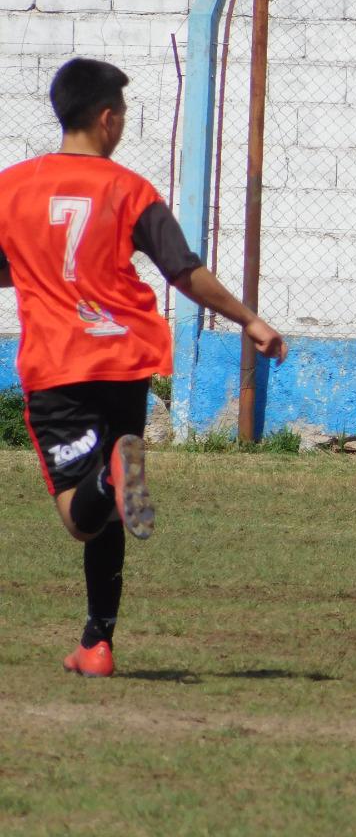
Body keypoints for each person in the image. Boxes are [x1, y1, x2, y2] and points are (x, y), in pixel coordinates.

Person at [0, 58, 287, 677]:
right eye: (123, 114)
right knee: (108, 505)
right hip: (124, 360)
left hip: (59, 368)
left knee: (82, 517)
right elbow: (184, 271)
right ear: (107, 119)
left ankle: (110, 480)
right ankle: (97, 643)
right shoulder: (130, 190)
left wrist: (33, 267)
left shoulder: (12, 186)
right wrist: (249, 319)